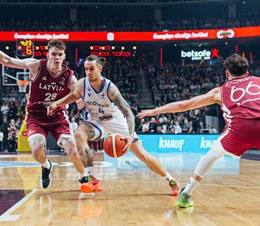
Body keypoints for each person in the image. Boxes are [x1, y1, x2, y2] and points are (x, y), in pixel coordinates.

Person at [47, 55, 181, 195]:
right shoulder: (82, 84)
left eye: (91, 69)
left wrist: (130, 135)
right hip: (96, 121)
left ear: (99, 69)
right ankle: (92, 177)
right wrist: (57, 103)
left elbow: (128, 112)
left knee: (143, 156)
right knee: (79, 134)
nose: (88, 72)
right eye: (86, 69)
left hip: (115, 121)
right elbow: (73, 95)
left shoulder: (109, 88)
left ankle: (171, 180)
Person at [138, 53, 259, 207]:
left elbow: (184, 105)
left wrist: (155, 111)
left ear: (227, 73)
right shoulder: (258, 81)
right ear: (247, 73)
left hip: (240, 128)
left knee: (213, 154)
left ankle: (186, 193)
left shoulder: (220, 91)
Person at [0, 39, 87, 190]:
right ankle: (46, 165)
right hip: (36, 117)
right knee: (36, 150)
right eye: (53, 54)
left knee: (72, 150)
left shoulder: (69, 76)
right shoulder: (36, 65)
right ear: (48, 55)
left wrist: (82, 99)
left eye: (60, 54)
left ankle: (84, 177)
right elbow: (7, 60)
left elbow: (78, 91)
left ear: (63, 57)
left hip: (57, 118)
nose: (56, 57)